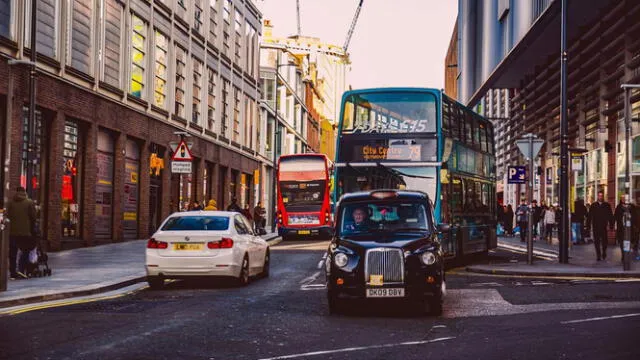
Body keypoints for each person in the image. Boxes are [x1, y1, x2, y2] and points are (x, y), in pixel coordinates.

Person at [6, 187, 37, 279]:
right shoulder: (29, 202)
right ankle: (21, 270)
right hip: (25, 232)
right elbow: (33, 217)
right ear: (24, 192)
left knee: (13, 253)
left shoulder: (10, 203)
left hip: (12, 232)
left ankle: (12, 273)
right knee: (26, 250)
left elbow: (8, 216)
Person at [587, 191, 614, 261]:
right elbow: (589, 216)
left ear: (603, 197)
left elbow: (610, 216)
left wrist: (611, 225)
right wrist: (588, 226)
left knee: (605, 241)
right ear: (597, 196)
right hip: (595, 226)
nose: (600, 197)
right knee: (596, 241)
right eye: (599, 196)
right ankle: (598, 255)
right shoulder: (593, 205)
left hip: (603, 226)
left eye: (601, 196)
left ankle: (604, 252)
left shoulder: (607, 205)